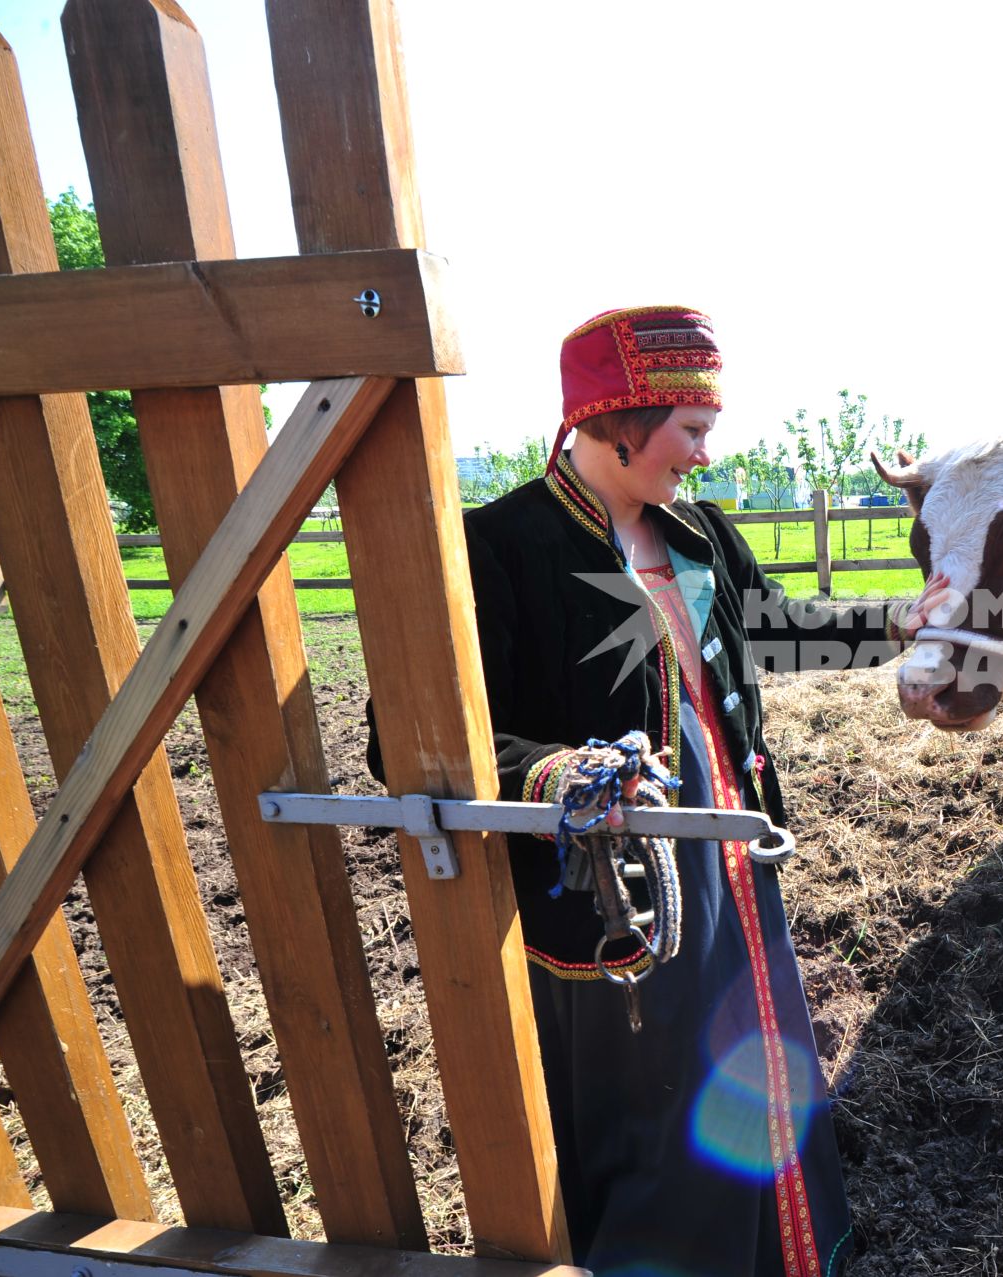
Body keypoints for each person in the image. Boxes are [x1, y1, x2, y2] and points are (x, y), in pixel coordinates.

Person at [370, 306, 916, 1275]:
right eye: (691, 431)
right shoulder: (499, 548)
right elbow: (400, 737)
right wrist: (556, 772)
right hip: (617, 894)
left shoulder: (698, 533)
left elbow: (782, 632)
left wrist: (903, 624)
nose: (704, 456)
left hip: (738, 872)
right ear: (618, 418)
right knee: (666, 1106)